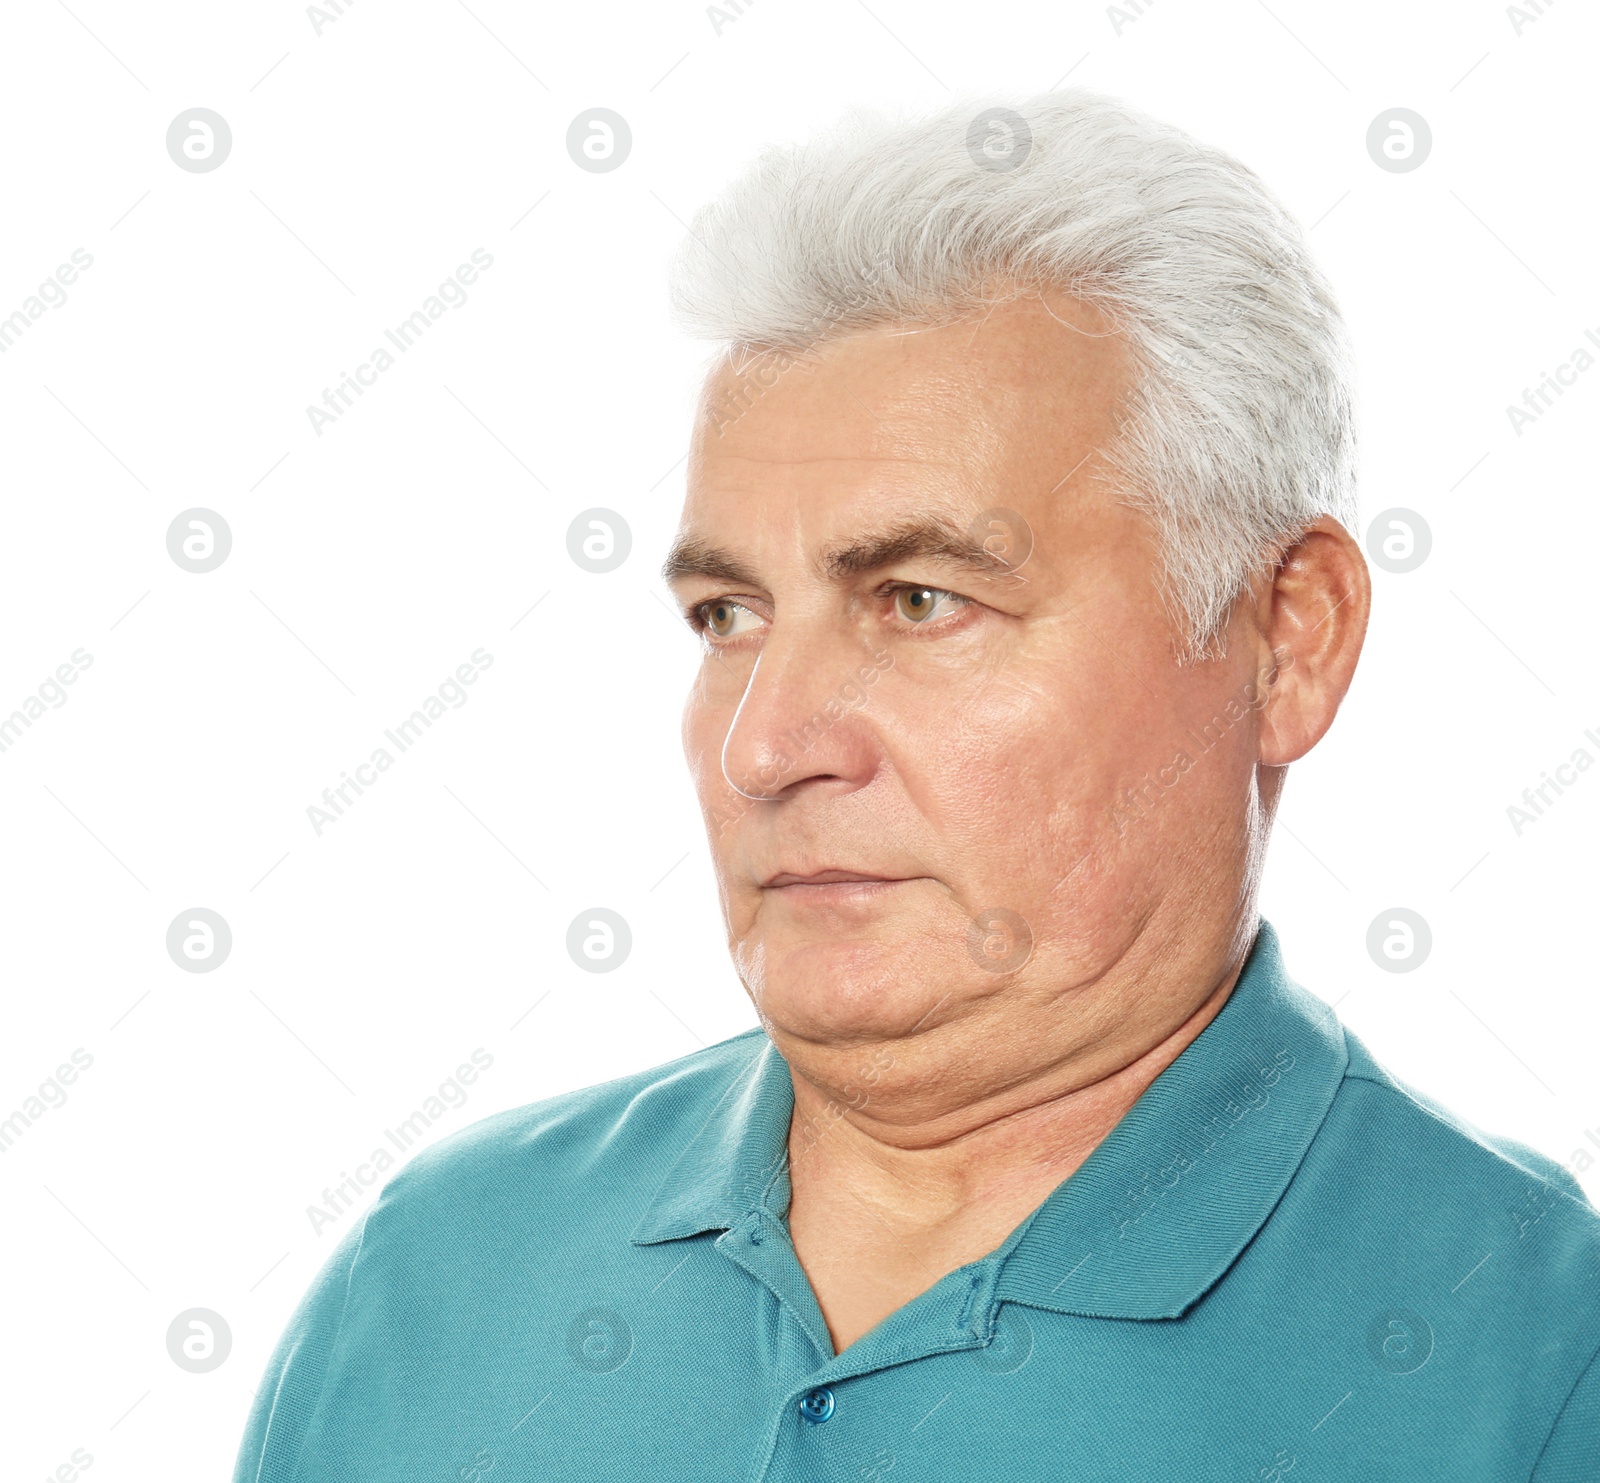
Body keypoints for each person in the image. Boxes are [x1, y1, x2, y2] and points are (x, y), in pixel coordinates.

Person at [234, 88, 1600, 1481]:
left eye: (923, 599)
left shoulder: (1545, 1364)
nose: (765, 748)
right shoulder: (434, 1277)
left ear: (1286, 639)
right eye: (727, 614)